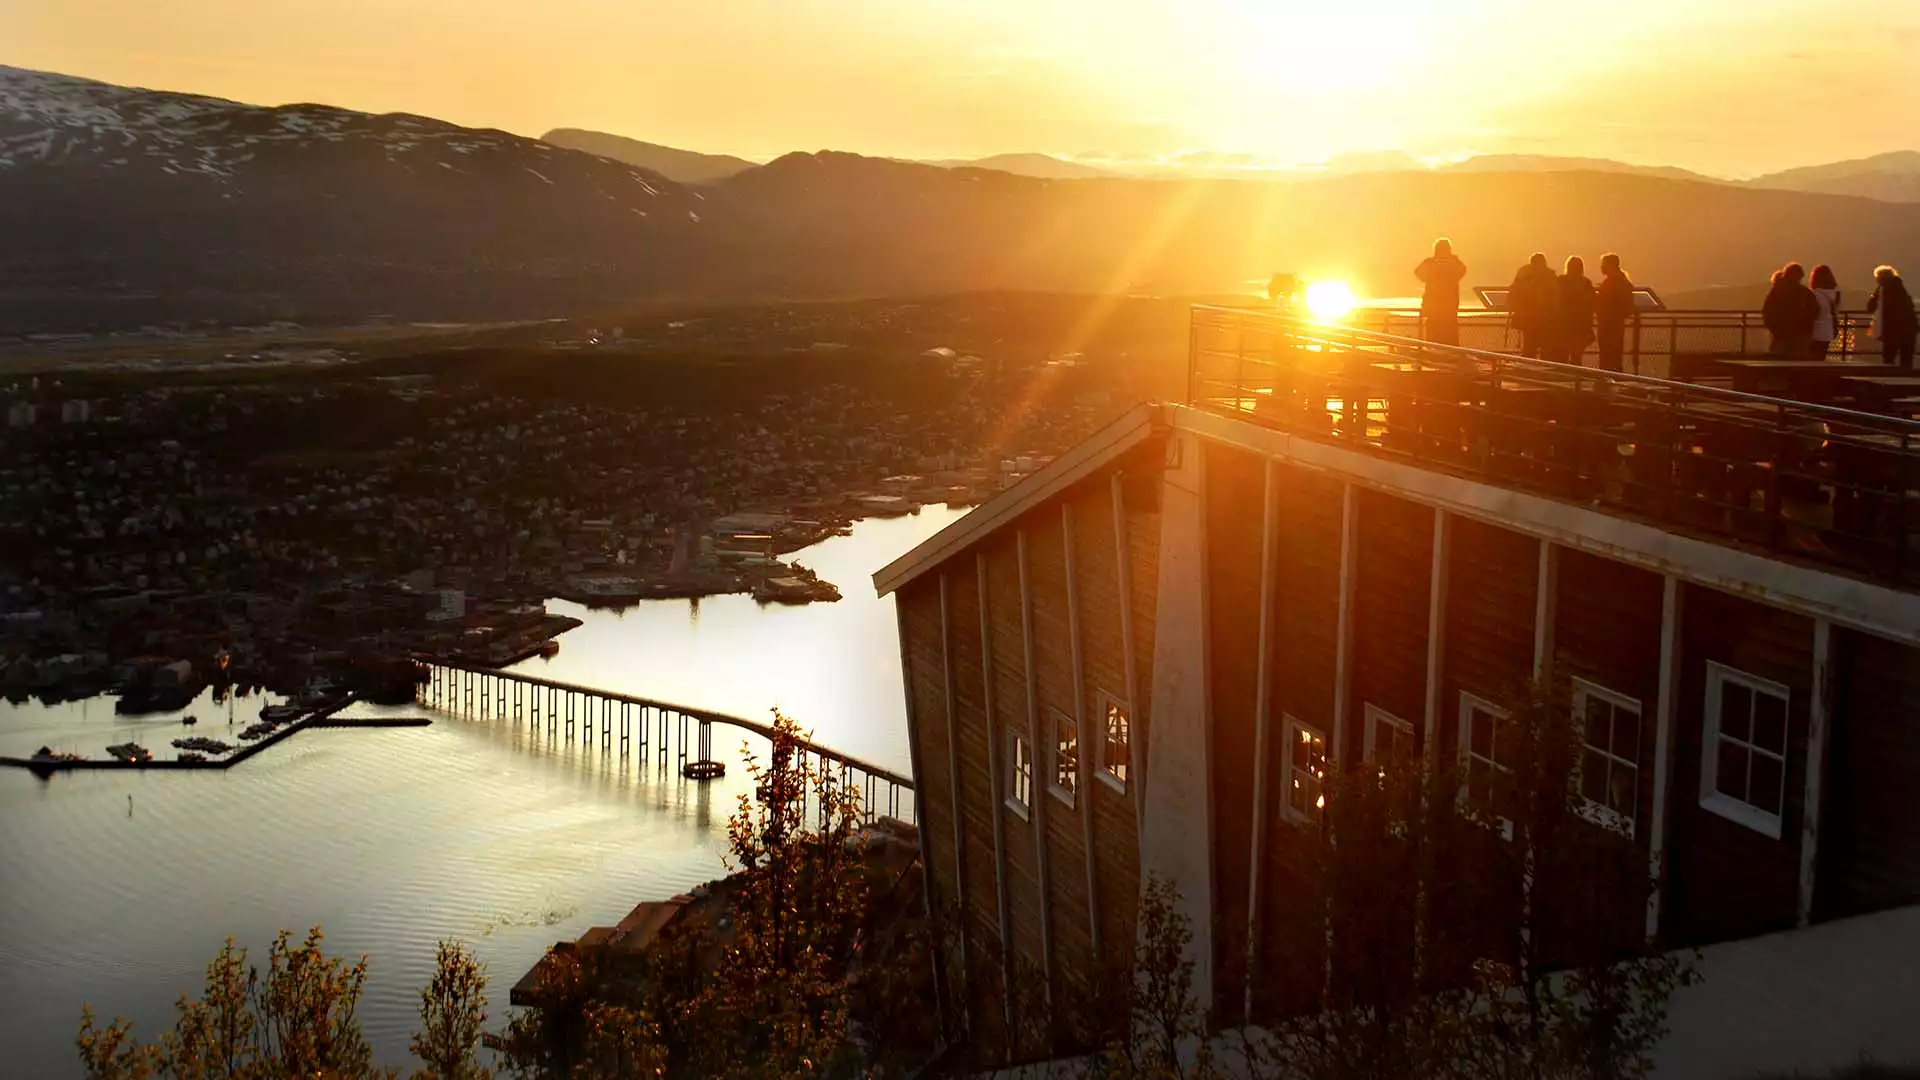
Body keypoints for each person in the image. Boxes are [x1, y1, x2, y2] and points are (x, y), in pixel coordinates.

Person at [1415, 238, 1468, 345]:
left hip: (1433, 308)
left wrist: (1434, 268)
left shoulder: (1430, 263)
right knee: (1450, 338)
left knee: (1433, 339)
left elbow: (1419, 274)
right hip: (1450, 307)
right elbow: (1462, 271)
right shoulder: (1455, 263)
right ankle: (1452, 357)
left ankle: (1434, 357)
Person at [1762, 262, 1820, 356]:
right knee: (1797, 362)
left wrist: (1773, 328)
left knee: (1776, 361)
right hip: (1802, 333)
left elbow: (1767, 311)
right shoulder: (1805, 292)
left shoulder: (1776, 291)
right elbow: (1815, 310)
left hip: (1781, 333)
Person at [1507, 252, 1558, 358]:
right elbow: (1555, 297)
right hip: (1545, 318)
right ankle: (1544, 369)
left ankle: (1528, 368)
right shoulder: (1550, 276)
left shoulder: (1523, 275)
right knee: (1545, 347)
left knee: (1529, 345)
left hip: (1527, 318)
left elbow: (1513, 292)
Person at [1867, 264, 1918, 368]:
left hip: (1892, 328)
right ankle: (1905, 379)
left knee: (1889, 356)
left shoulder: (1884, 289)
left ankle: (1889, 377)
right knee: (1906, 357)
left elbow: (1871, 306)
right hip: (1908, 328)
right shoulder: (1899, 288)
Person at [1594, 253, 1636, 372]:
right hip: (1616, 322)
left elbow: (1605, 302)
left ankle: (1606, 377)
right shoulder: (1622, 281)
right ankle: (1614, 374)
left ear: (1610, 265)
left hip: (1608, 323)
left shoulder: (1612, 282)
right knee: (1615, 352)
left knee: (1607, 352)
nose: (1601, 267)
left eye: (1603, 264)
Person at [1553, 255, 1596, 364]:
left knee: (1562, 354)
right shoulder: (1586, 283)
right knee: (1577, 355)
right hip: (1580, 324)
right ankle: (1576, 377)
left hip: (1563, 323)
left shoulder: (1561, 281)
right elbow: (1592, 302)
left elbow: (1554, 299)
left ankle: (1563, 376)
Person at [1809, 265, 1842, 358]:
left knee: (1812, 358)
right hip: (1829, 329)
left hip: (1815, 330)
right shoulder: (1836, 294)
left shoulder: (1815, 294)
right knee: (1822, 355)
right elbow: (1836, 311)